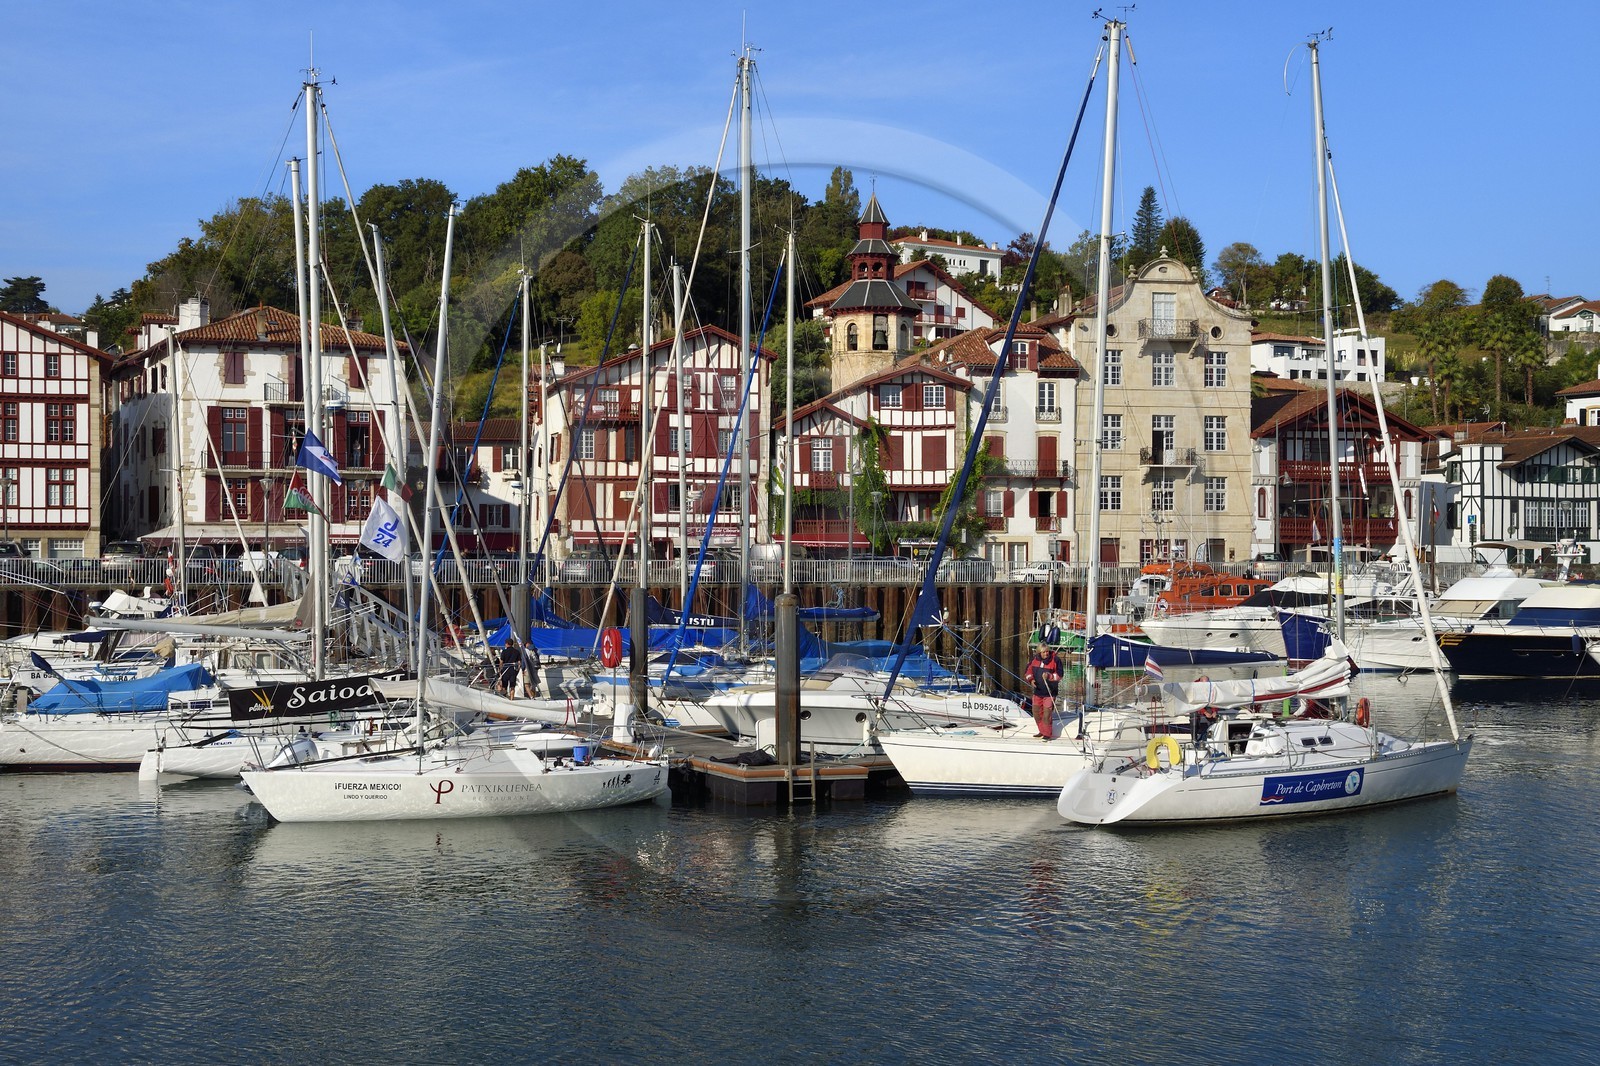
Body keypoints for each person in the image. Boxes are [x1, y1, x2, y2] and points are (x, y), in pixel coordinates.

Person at [1024, 644, 1063, 740]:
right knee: (1036, 712)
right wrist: (1031, 680)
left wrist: (1049, 676)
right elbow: (1028, 672)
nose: (1046, 653)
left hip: (1049, 692)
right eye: (1044, 652)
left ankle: (1047, 734)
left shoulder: (1055, 660)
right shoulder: (1035, 660)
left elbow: (1060, 675)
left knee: (1046, 714)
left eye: (1047, 651)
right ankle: (1041, 731)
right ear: (1039, 652)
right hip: (1038, 691)